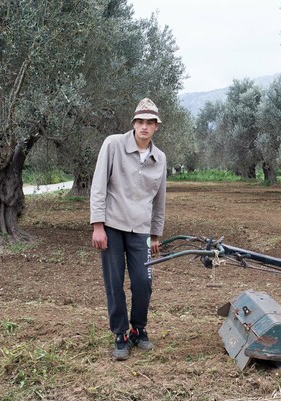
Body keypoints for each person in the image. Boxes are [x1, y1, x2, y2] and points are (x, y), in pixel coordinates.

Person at [90, 98, 167, 361]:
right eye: (140, 122)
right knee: (114, 282)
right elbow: (99, 185)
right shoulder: (113, 145)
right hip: (111, 227)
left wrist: (155, 234)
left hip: (142, 231)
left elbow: (160, 200)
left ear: (156, 127)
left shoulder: (160, 159)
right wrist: (97, 225)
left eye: (150, 123)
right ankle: (120, 335)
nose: (144, 127)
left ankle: (138, 329)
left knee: (143, 282)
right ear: (134, 123)